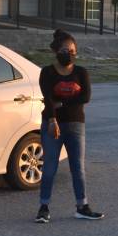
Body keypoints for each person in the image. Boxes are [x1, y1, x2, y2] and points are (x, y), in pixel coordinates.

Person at [35, 30, 103, 223]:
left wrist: (62, 103)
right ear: (56, 51)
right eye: (65, 51)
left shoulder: (81, 72)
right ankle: (44, 208)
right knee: (49, 168)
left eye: (72, 51)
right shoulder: (47, 72)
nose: (69, 54)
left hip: (75, 124)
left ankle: (82, 206)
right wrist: (52, 120)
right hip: (52, 124)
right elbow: (48, 99)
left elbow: (85, 97)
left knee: (78, 168)